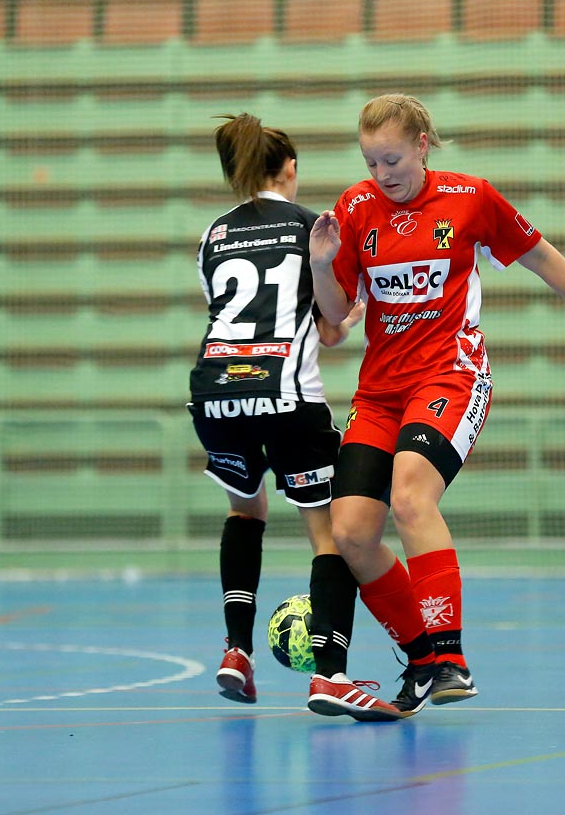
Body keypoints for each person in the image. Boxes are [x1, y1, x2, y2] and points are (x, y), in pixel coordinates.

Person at [303, 94, 565, 721]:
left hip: (451, 374)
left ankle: (449, 656)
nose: (381, 173)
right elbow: (336, 315)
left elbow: (541, 255)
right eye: (370, 162)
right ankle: (419, 657)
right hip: (380, 390)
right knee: (352, 534)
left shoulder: (469, 199)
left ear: (421, 146)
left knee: (411, 496)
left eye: (391, 158)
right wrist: (319, 264)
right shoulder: (355, 209)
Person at [188, 113, 364, 705]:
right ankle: (331, 675)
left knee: (247, 512)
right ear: (290, 168)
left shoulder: (213, 234)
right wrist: (345, 319)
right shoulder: (313, 228)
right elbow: (329, 326)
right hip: (288, 397)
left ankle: (236, 650)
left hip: (216, 392)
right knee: (330, 535)